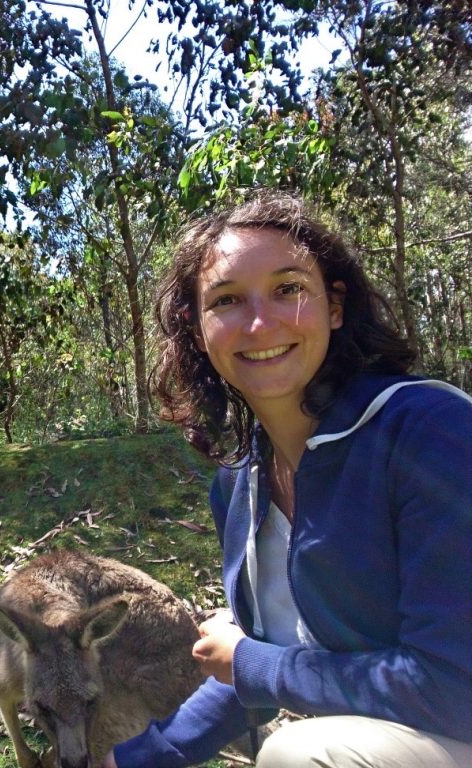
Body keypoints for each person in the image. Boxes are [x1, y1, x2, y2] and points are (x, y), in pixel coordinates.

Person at [106, 192, 472, 767]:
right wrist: (130, 760)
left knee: (298, 755)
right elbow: (256, 672)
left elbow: (455, 688)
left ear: (334, 305)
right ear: (198, 332)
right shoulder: (237, 489)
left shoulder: (429, 430)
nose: (259, 322)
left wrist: (254, 663)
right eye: (226, 300)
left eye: (288, 289)